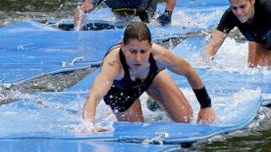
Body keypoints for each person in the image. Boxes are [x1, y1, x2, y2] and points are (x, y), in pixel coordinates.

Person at [80, 22, 215, 132]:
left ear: (150, 47)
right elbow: (93, 96)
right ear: (123, 46)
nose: (138, 58)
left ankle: (155, 100)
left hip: (151, 79)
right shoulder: (113, 64)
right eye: (132, 51)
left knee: (185, 119)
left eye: (143, 51)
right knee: (136, 131)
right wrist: (88, 123)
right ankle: (120, 109)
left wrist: (206, 106)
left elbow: (189, 71)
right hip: (120, 90)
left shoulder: (160, 56)